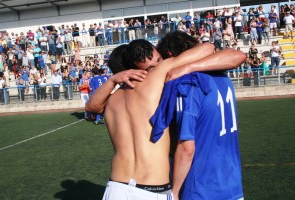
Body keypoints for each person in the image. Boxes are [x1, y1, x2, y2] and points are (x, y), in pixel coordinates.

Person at [86, 33, 245, 199]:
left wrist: (112, 80)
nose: (157, 65)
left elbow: (91, 106)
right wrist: (185, 67)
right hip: (151, 189)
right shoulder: (156, 77)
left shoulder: (111, 101)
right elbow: (208, 47)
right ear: (135, 68)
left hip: (116, 187)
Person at [150, 32, 244, 200]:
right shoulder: (222, 76)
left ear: (170, 55)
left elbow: (187, 147)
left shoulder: (188, 83)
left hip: (201, 187)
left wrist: (175, 191)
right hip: (232, 183)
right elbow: (237, 55)